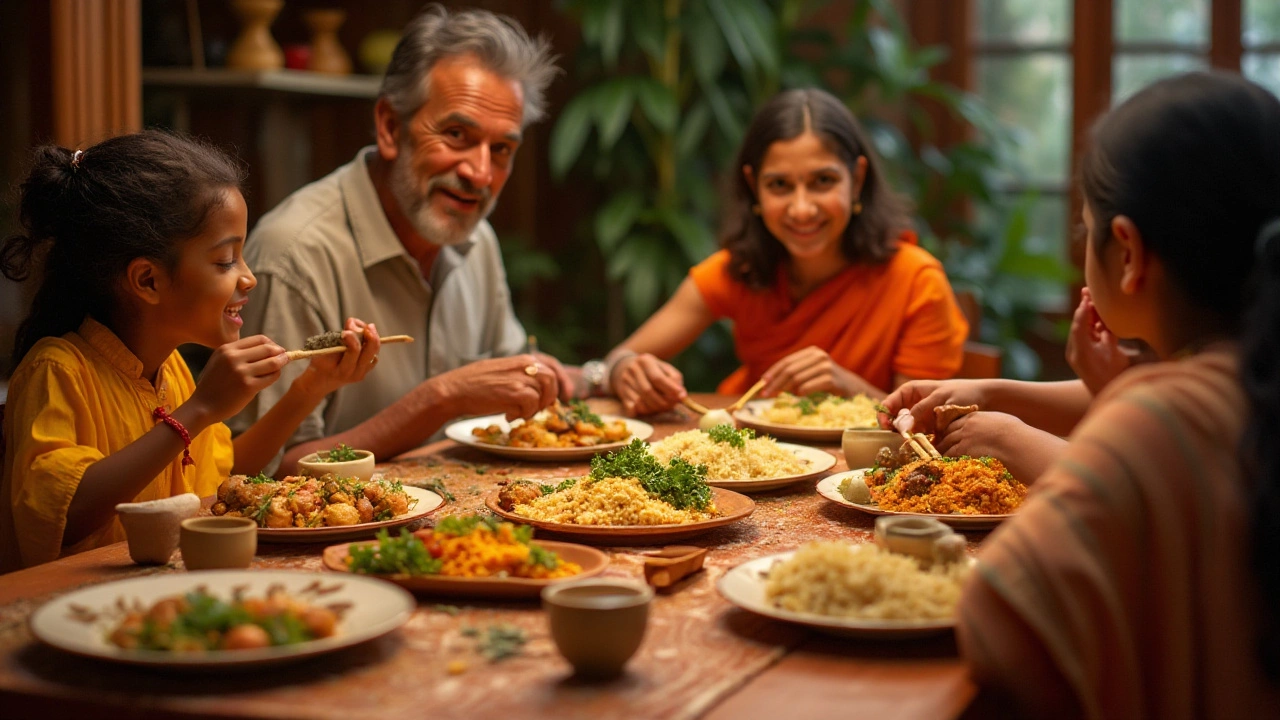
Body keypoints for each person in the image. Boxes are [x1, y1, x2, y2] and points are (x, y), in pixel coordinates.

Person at [955, 72, 1280, 718]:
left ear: (1126, 250)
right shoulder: (1236, 382)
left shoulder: (1158, 419)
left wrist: (1010, 434)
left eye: (1085, 232)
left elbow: (997, 616)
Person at [0, 131, 379, 571]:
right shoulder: (56, 371)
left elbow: (226, 476)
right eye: (225, 261)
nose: (248, 277)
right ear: (148, 280)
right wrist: (199, 409)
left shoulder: (171, 369)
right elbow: (63, 516)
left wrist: (312, 387)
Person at [231, 5, 572, 476]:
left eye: (502, 150)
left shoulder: (476, 238)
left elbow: (510, 383)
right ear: (391, 127)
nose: (480, 173)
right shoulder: (293, 254)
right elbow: (264, 475)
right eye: (456, 135)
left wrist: (607, 373)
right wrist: (439, 399)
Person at [601, 88, 969, 416]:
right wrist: (626, 371)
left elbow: (923, 425)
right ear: (753, 187)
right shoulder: (738, 269)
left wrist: (848, 387)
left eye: (822, 181)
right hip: (750, 459)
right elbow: (619, 357)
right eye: (779, 185)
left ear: (857, 180)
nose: (802, 209)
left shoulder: (917, 281)